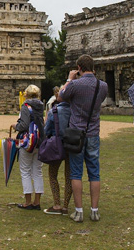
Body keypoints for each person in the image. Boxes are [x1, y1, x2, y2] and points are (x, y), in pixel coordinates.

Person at [58, 54, 108, 222]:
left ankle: (78, 211)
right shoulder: (103, 86)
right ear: (93, 67)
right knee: (94, 173)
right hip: (93, 132)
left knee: (76, 172)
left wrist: (69, 79)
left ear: (79, 68)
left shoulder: (76, 85)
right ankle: (94, 210)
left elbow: (61, 97)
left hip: (76, 133)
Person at [11, 84, 45, 210]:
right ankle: (37, 201)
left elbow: (24, 125)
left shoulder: (25, 106)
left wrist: (16, 126)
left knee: (25, 171)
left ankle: (28, 201)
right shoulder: (40, 106)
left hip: (27, 141)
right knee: (37, 171)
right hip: (39, 140)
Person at [43, 87, 72, 215]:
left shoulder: (54, 111)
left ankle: (57, 204)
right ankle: (66, 205)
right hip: (72, 145)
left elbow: (46, 131)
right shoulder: (75, 111)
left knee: (53, 174)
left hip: (56, 145)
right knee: (69, 176)